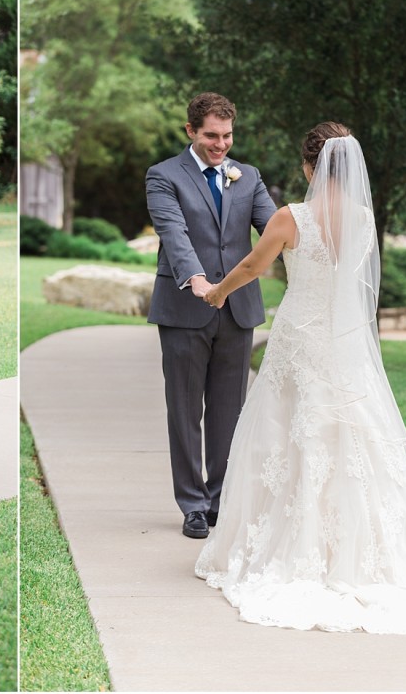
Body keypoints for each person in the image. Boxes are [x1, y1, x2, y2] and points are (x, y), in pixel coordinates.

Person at [195, 122, 406, 633]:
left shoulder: (290, 217)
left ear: (310, 166)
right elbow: (357, 284)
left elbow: (252, 266)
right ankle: (361, 552)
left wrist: (218, 291)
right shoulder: (364, 218)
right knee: (350, 439)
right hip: (344, 346)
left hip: (300, 343)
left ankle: (298, 550)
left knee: (288, 439)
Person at [145, 92, 277, 539]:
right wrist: (197, 281)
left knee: (228, 411)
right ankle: (193, 504)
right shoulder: (163, 176)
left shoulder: (250, 176)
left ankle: (221, 498)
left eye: (227, 136)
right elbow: (173, 232)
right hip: (185, 306)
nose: (221, 145)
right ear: (190, 132)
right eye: (211, 136)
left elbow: (273, 230)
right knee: (184, 410)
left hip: (238, 310)